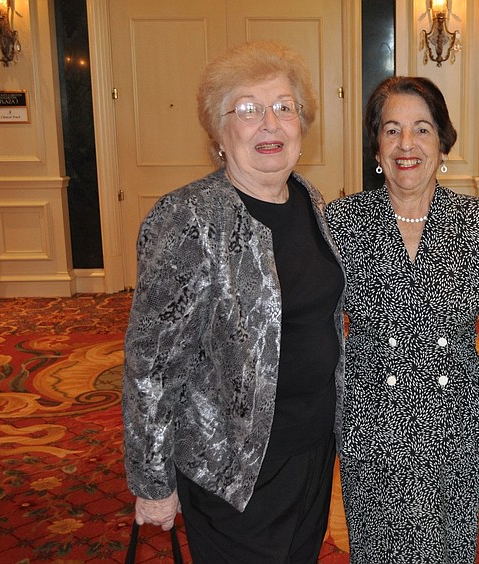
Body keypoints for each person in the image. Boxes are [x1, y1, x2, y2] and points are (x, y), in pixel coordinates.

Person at [122, 40, 345, 563]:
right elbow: (150, 365)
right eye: (247, 110)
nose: (270, 124)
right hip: (234, 467)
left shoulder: (309, 200)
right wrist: (153, 481)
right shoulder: (187, 219)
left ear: (302, 125)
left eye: (284, 108)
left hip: (311, 446)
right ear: (218, 133)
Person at [325, 76, 479, 563]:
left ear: (443, 142)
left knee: (448, 550)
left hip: (452, 412)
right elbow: (310, 322)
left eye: (422, 129)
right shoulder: (342, 221)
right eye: (391, 130)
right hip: (373, 412)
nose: (406, 144)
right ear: (376, 145)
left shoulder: (476, 221)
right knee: (376, 549)